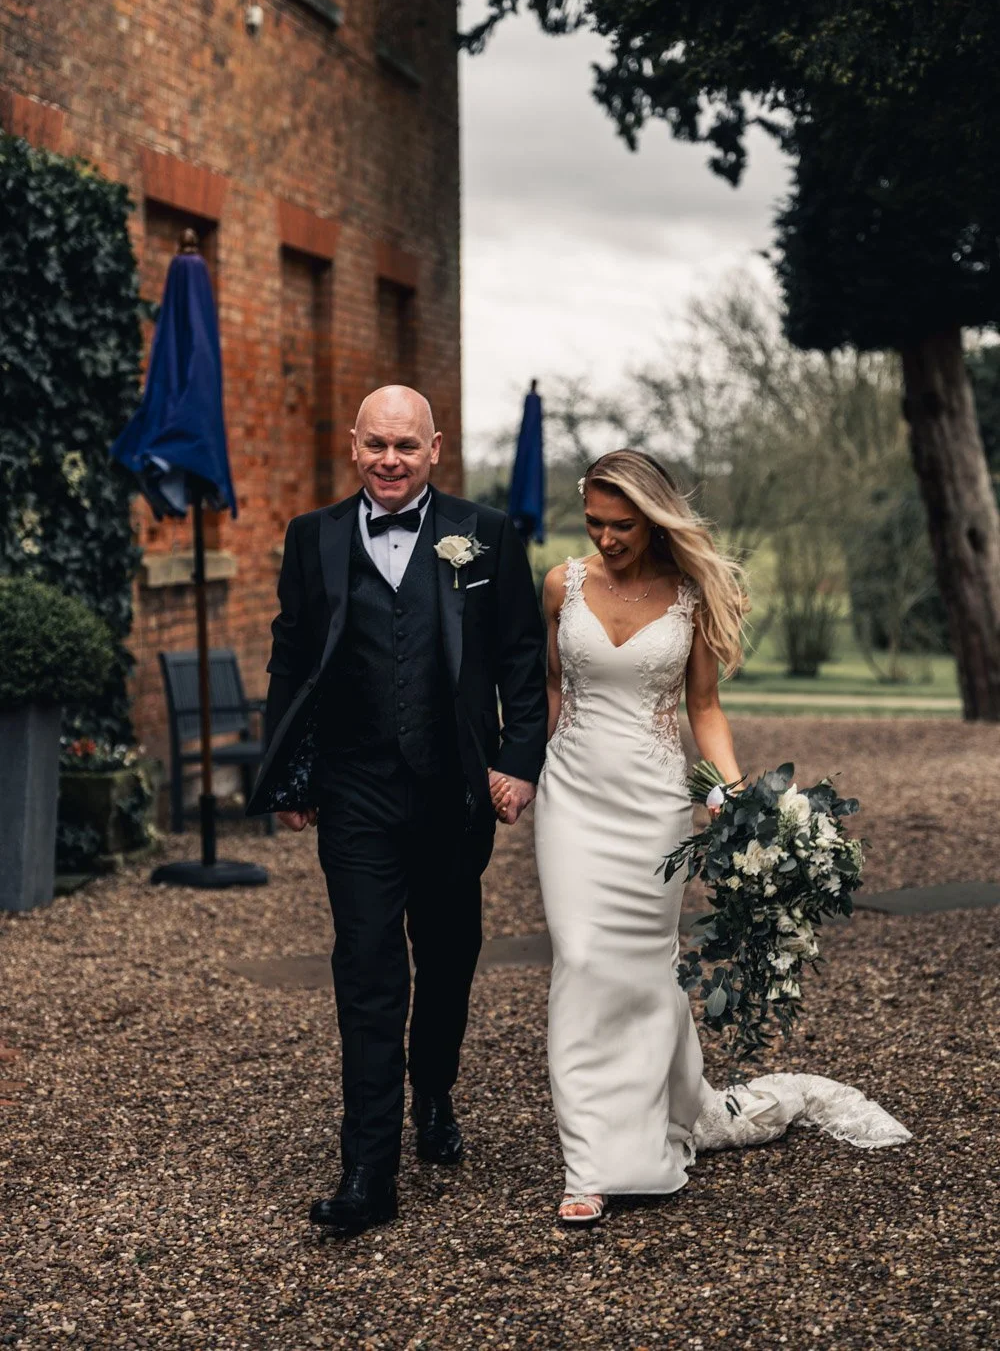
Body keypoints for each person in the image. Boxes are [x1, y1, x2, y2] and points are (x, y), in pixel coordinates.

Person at [495, 449, 909, 1228]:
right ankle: (591, 1161)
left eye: (622, 526)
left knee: (646, 972)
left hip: (653, 802)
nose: (607, 538)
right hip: (573, 796)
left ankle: (657, 1121)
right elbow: (550, 685)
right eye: (594, 523)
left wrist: (730, 785)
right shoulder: (562, 585)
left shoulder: (691, 598)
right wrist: (519, 766)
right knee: (580, 960)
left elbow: (705, 708)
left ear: (654, 521)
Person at [246, 385, 547, 1238]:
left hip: (455, 791)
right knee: (369, 971)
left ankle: (436, 1091)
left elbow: (522, 660)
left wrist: (517, 762)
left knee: (448, 961)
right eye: (375, 444)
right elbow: (292, 657)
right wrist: (293, 779)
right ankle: (366, 1173)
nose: (389, 460)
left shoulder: (485, 534)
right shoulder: (313, 537)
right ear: (353, 445)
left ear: (435, 449)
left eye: (405, 447)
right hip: (356, 790)